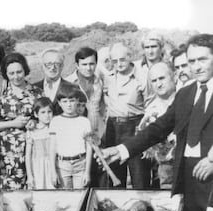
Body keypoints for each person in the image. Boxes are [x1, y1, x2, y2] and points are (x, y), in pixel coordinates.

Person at [99, 34, 213, 211]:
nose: (196, 66)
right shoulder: (186, 94)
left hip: (211, 171)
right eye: (192, 61)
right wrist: (124, 148)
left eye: (203, 60)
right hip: (187, 173)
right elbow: (159, 128)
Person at [0, 52, 42, 190]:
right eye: (11, 73)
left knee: (35, 186)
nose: (16, 76)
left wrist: (35, 122)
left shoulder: (37, 93)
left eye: (19, 72)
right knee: (9, 191)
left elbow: (44, 117)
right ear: (6, 74)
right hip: (8, 152)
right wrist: (13, 123)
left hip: (33, 148)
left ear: (25, 70)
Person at [103, 42, 150, 188]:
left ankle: (141, 208)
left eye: (122, 59)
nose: (119, 64)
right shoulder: (108, 77)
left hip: (135, 126)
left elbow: (150, 105)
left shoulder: (142, 77)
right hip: (113, 128)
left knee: (139, 174)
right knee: (116, 175)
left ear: (129, 57)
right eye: (114, 61)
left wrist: (145, 132)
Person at [137, 62, 176, 189]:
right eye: (154, 81)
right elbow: (146, 140)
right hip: (165, 165)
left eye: (162, 78)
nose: (158, 84)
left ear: (174, 77)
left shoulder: (186, 98)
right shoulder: (150, 108)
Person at [49, 86, 92, 189]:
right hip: (62, 166)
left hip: (80, 164)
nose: (68, 105)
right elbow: (52, 148)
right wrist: (53, 172)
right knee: (65, 199)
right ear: (59, 103)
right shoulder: (56, 121)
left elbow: (89, 148)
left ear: (77, 101)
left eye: (72, 101)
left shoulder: (84, 121)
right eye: (65, 101)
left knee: (81, 198)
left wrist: (87, 172)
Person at [65, 47, 105, 137]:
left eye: (91, 64)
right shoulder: (68, 83)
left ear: (96, 64)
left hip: (97, 133)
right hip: (75, 134)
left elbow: (103, 107)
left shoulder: (100, 81)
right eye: (84, 64)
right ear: (77, 65)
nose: (88, 68)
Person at [34, 48, 78, 115]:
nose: (53, 68)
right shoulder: (33, 88)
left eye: (57, 64)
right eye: (49, 64)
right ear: (42, 66)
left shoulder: (73, 89)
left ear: (62, 66)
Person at [25, 97, 54, 190]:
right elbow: (28, 155)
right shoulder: (32, 131)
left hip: (52, 167)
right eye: (43, 112)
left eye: (49, 112)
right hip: (37, 168)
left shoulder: (54, 128)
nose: (47, 115)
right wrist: (30, 176)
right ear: (36, 114)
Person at [135, 31, 165, 99]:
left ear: (161, 48)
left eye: (154, 47)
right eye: (147, 47)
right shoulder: (136, 68)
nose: (150, 51)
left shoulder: (168, 67)